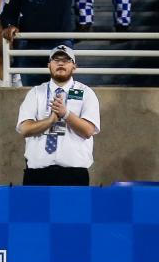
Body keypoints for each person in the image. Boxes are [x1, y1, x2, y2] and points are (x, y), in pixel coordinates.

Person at [16, 45, 100, 186]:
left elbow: (88, 130)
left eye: (66, 60)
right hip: (37, 174)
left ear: (74, 66)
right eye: (56, 60)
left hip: (74, 174)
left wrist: (65, 114)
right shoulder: (36, 93)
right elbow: (25, 129)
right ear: (49, 65)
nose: (60, 63)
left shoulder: (86, 93)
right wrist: (51, 120)